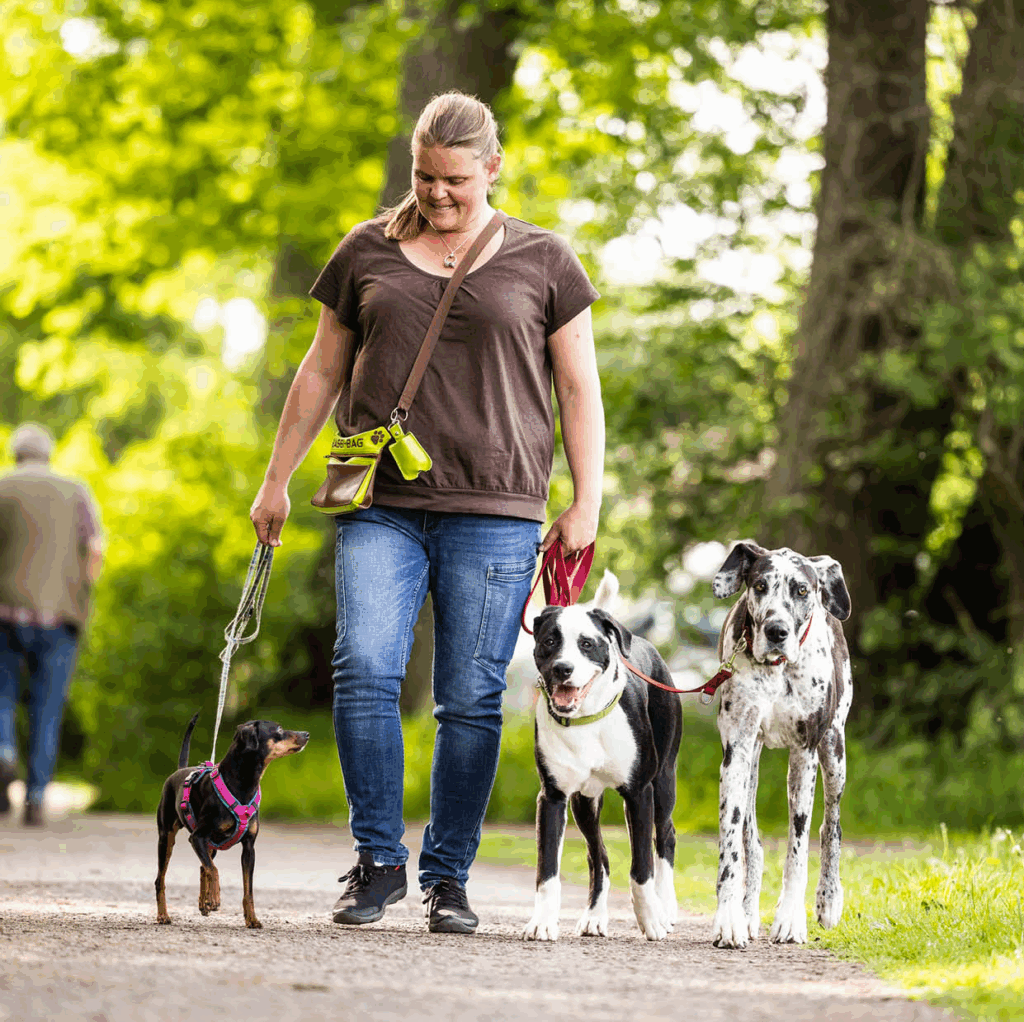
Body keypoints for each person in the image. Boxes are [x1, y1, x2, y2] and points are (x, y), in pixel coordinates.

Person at [250, 91, 604, 933]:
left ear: (492, 168)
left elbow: (579, 388)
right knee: (365, 667)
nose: (438, 194)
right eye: (424, 177)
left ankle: (449, 876)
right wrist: (276, 479)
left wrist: (586, 499)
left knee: (471, 698)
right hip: (381, 502)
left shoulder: (544, 260)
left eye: (454, 181)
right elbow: (318, 372)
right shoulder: (366, 250)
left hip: (497, 504)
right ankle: (377, 861)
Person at [0, 423, 103, 825]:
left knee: (3, 693)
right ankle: (36, 795)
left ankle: (4, 750)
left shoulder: (2, 487)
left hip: (4, 612)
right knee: (47, 706)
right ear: (48, 452)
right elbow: (94, 550)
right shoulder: (76, 490)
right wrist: (81, 596)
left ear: (16, 453)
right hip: (60, 616)